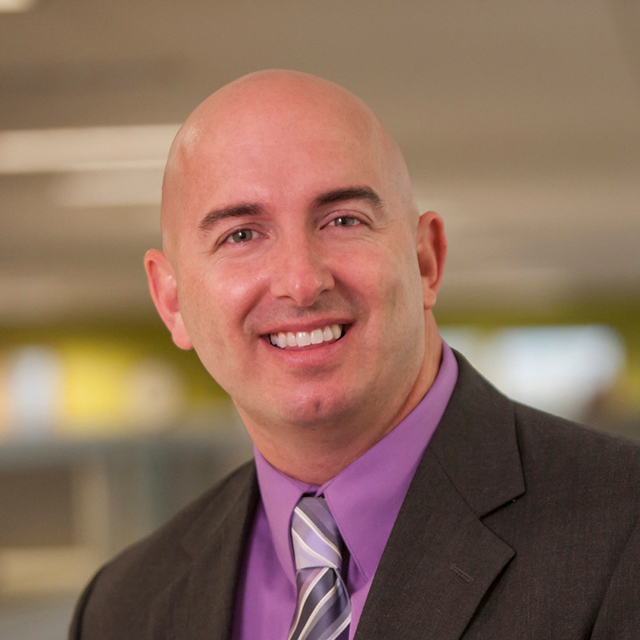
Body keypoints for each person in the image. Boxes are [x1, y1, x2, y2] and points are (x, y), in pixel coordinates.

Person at [69, 70, 640, 640]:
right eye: (241, 235)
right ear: (171, 300)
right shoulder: (122, 608)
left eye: (343, 220)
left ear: (425, 261)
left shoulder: (622, 527)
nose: (301, 280)